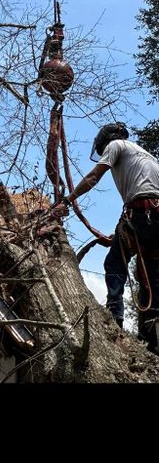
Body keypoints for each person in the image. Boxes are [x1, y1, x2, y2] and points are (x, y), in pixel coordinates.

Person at [53, 121, 159, 353]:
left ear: (105, 141)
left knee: (114, 264)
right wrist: (123, 234)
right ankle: (152, 341)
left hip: (142, 211)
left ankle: (115, 317)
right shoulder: (146, 156)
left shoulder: (116, 145)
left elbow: (93, 177)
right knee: (150, 277)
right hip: (151, 217)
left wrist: (68, 200)